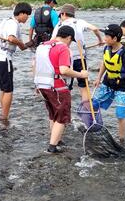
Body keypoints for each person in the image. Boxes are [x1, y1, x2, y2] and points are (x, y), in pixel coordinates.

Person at [34, 25, 88, 153]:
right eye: (71, 40)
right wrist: (81, 74)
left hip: (42, 84)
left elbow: (34, 65)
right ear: (69, 37)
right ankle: (52, 146)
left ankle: (56, 139)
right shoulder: (62, 47)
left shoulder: (42, 46)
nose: (70, 44)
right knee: (62, 116)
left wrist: (36, 83)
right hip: (56, 85)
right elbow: (64, 70)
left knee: (53, 114)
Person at [93, 24, 125, 143]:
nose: (105, 38)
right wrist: (98, 78)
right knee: (94, 105)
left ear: (115, 39)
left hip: (122, 86)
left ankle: (121, 140)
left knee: (120, 114)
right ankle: (94, 127)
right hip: (108, 82)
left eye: (107, 36)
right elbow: (104, 63)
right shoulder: (106, 48)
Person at [51, 4, 103, 102]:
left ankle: (66, 110)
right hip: (80, 58)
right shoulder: (79, 22)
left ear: (64, 14)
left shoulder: (59, 25)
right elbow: (95, 29)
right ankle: (86, 112)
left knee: (66, 87)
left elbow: (53, 41)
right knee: (84, 87)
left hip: (65, 59)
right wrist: (100, 40)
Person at [0, 2, 32, 121]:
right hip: (4, 57)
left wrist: (30, 43)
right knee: (9, 90)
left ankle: (2, 113)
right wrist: (20, 43)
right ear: (21, 13)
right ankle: (4, 117)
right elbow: (11, 38)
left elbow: (21, 46)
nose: (27, 18)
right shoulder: (13, 23)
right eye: (27, 15)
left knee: (3, 88)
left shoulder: (6, 21)